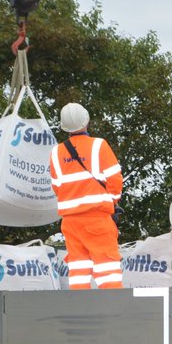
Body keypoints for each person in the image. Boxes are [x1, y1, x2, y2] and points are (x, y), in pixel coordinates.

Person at [48, 102, 123, 289]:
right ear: (86, 120)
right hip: (97, 218)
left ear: (64, 127)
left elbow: (57, 187)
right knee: (107, 267)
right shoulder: (99, 145)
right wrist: (112, 201)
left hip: (71, 222)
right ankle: (115, 305)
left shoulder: (56, 153)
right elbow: (115, 179)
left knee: (78, 268)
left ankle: (79, 304)